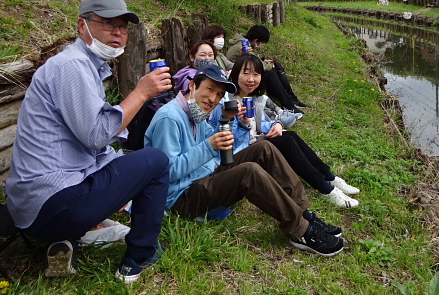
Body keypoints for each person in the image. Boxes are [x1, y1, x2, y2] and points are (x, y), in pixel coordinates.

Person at [5, 0, 173, 284]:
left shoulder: (83, 65)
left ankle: (73, 236)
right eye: (108, 24)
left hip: (36, 204)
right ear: (82, 25)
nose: (118, 33)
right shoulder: (72, 67)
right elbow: (97, 135)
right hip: (52, 202)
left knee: (128, 164)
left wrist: (119, 181)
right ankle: (139, 256)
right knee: (156, 161)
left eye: (123, 27)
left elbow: (88, 142)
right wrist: (142, 92)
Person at [144, 65, 345, 257]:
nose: (213, 99)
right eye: (210, 89)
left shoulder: (197, 112)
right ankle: (299, 231)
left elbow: (213, 148)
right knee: (249, 171)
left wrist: (226, 120)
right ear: (192, 85)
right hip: (181, 197)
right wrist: (209, 146)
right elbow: (166, 172)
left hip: (205, 175)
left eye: (220, 95)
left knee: (264, 148)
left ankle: (303, 213)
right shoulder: (169, 118)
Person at [228, 53, 360, 208]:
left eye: (256, 74)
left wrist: (276, 124)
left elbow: (262, 123)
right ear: (235, 74)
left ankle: (329, 177)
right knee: (287, 142)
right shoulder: (228, 101)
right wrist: (243, 124)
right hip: (241, 153)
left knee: (290, 135)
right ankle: (326, 189)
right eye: (246, 73)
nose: (251, 79)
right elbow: (231, 139)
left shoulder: (253, 99)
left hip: (254, 143)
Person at [226, 25, 306, 112]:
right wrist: (269, 65)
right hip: (239, 75)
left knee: (275, 68)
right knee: (269, 73)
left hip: (246, 71)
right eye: (262, 43)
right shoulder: (241, 46)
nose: (261, 45)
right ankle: (288, 104)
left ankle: (291, 99)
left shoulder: (243, 43)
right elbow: (257, 63)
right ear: (256, 40)